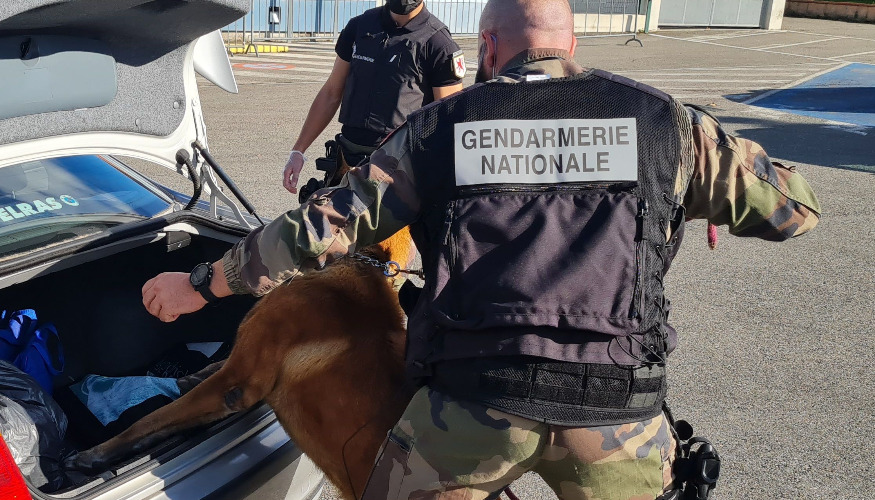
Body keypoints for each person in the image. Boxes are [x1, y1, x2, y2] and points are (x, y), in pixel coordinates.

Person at [142, 0, 821, 498]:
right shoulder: (665, 124)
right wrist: (686, 187)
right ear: (571, 41)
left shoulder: (439, 130)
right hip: (616, 406)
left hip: (471, 407)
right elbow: (796, 210)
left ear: (489, 48)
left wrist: (201, 284)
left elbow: (322, 228)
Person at [281, 0, 465, 198]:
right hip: (347, 163)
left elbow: (448, 122)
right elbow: (331, 93)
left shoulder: (438, 43)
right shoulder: (360, 27)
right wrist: (298, 152)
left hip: (396, 172)